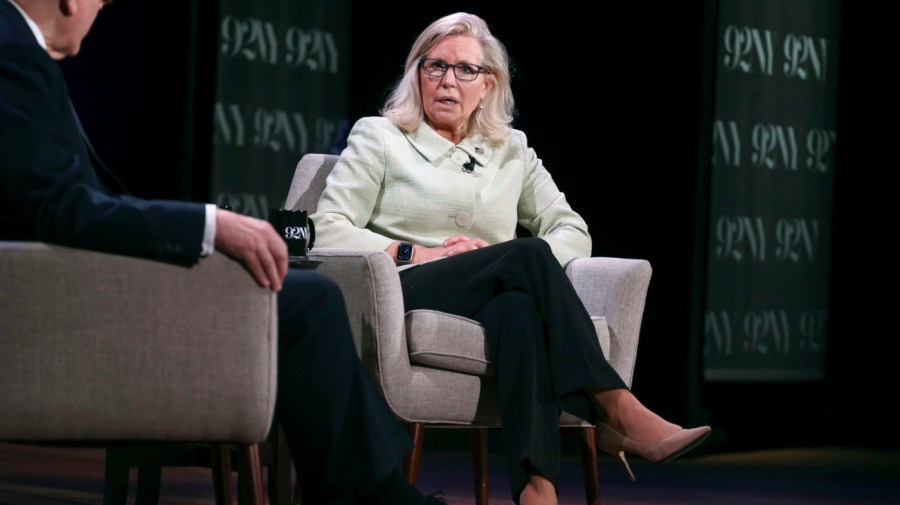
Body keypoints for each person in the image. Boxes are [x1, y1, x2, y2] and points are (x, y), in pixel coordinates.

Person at [0, 1, 446, 504]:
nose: (99, 13)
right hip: (68, 306)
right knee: (308, 301)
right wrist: (211, 226)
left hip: (66, 286)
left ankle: (367, 490)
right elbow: (65, 210)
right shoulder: (13, 53)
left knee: (304, 297)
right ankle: (370, 495)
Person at [309, 11, 712, 505]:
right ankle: (616, 407)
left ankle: (537, 488)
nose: (447, 81)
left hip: (490, 296)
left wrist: (508, 262)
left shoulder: (511, 150)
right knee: (524, 258)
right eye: (433, 66)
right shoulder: (381, 137)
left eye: (464, 70)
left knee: (520, 307)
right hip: (404, 286)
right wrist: (419, 251)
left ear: (489, 84)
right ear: (415, 74)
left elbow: (571, 229)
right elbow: (326, 228)